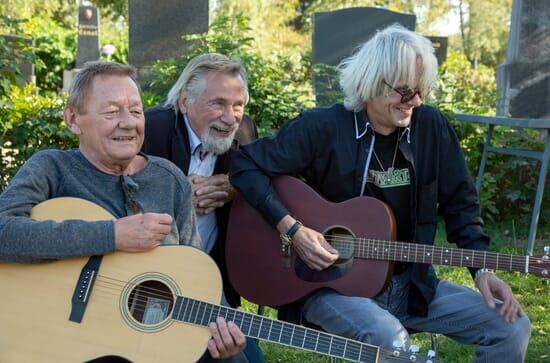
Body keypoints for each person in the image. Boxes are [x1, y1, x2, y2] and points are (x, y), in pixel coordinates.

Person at [229, 25, 531, 362]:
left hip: (411, 286)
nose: (415, 101)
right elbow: (245, 168)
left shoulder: (430, 127)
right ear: (371, 83)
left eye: (420, 89)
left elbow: (461, 204)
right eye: (404, 91)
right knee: (391, 340)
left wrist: (482, 270)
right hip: (329, 286)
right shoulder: (323, 127)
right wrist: (292, 229)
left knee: (512, 327)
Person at [0, 61, 247, 362]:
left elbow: (196, 275)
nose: (128, 122)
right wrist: (112, 235)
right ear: (73, 119)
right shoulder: (51, 168)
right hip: (63, 343)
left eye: (135, 110)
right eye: (112, 111)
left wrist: (223, 330)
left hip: (145, 338)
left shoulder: (170, 179)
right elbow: (4, 233)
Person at [142, 53, 263, 363]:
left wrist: (233, 185)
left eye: (238, 105)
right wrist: (177, 192)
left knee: (250, 356)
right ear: (185, 102)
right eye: (218, 104)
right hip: (151, 279)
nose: (230, 117)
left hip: (211, 279)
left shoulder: (245, 132)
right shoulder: (150, 130)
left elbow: (268, 181)